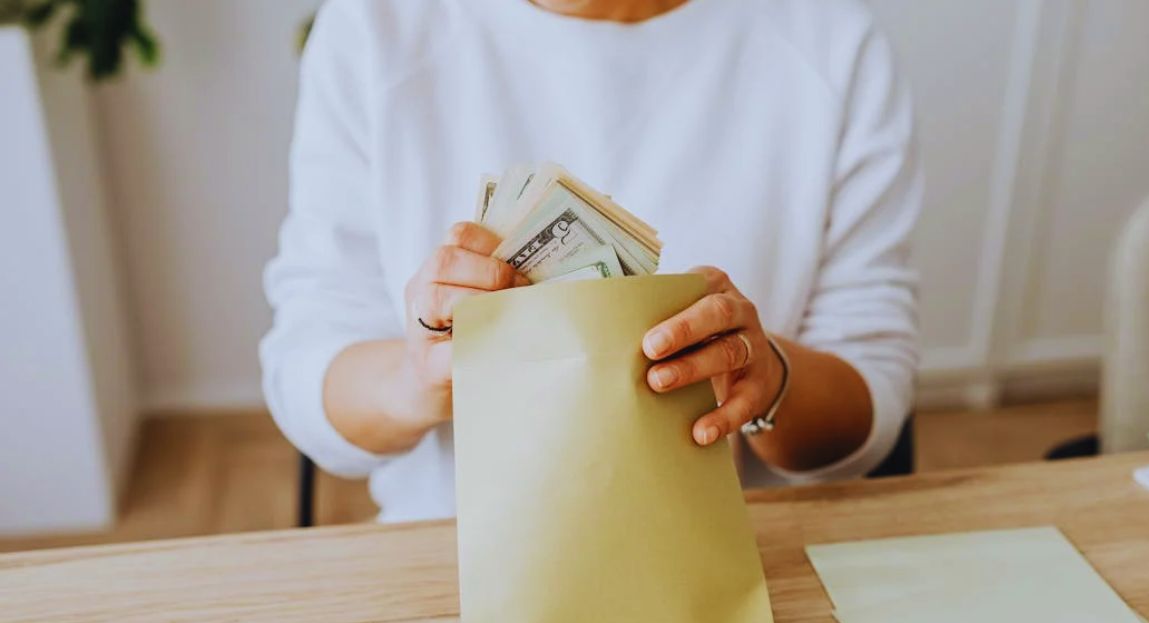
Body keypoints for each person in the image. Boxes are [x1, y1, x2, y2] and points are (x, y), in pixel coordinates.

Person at [262, 0, 922, 522]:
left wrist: (767, 379)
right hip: (456, 568)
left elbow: (870, 402)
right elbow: (308, 372)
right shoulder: (375, 30)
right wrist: (417, 378)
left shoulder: (830, 43)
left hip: (751, 563)